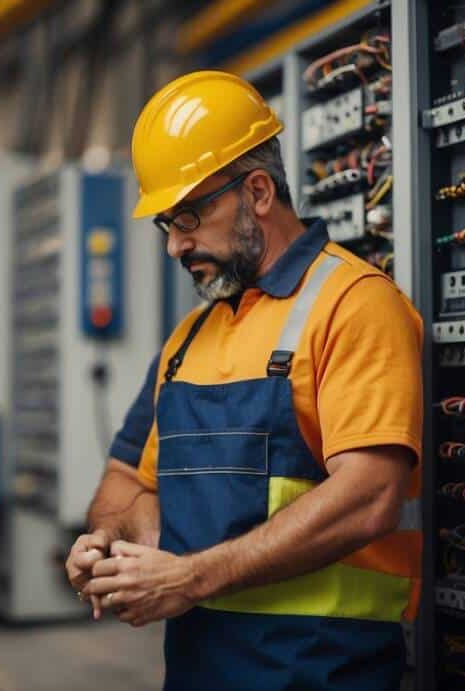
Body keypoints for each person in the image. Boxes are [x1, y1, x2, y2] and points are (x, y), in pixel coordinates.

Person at [64, 71, 422, 690]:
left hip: (323, 670)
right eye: (166, 226)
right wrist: (107, 543)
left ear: (258, 191)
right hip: (200, 669)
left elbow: (370, 496)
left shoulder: (356, 304)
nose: (176, 245)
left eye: (189, 217)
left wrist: (189, 578)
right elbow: (129, 482)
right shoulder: (187, 340)